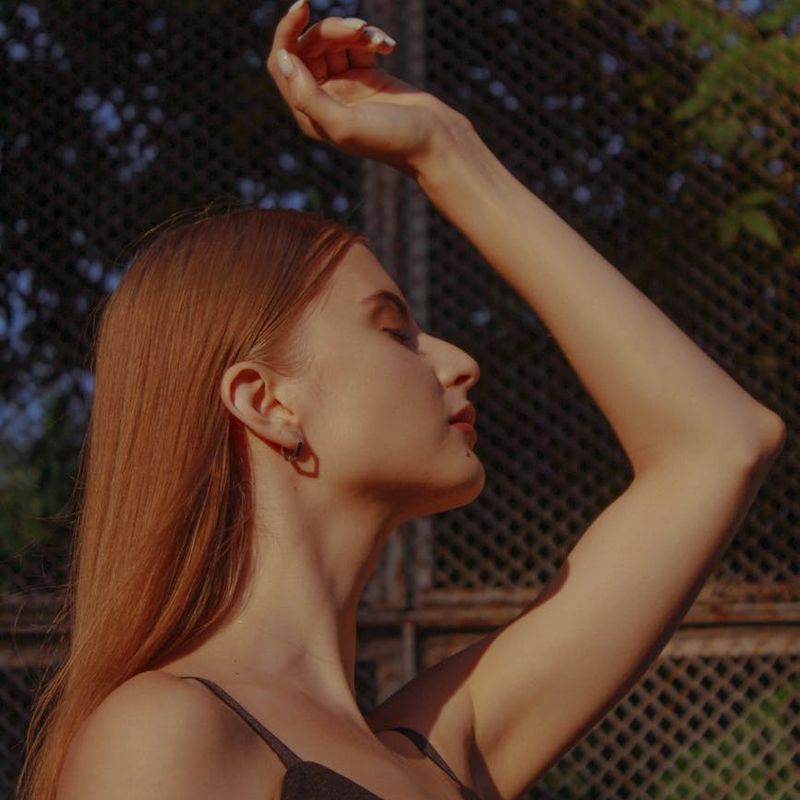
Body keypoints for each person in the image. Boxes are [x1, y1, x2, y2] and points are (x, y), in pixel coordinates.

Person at [20, 1, 785, 799]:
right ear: (265, 401)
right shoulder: (165, 735)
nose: (460, 362)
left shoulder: (439, 748)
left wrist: (446, 151)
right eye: (395, 332)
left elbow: (720, 443)